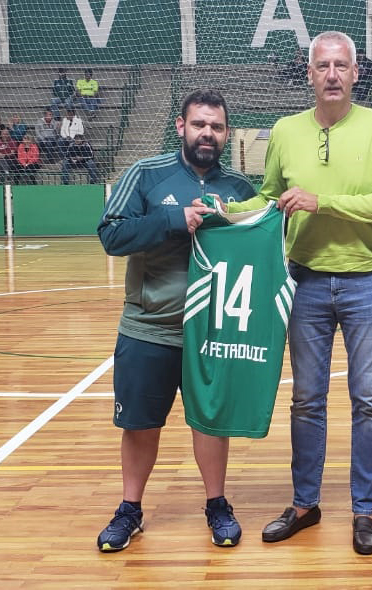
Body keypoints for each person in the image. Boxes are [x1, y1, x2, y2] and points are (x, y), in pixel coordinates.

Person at [219, 30, 372, 556]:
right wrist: (224, 213)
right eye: (322, 66)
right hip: (302, 280)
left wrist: (321, 201)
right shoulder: (284, 129)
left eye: (341, 65)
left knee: (369, 401)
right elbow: (271, 197)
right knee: (306, 399)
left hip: (368, 278)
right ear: (308, 73)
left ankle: (364, 512)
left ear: (355, 72)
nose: (332, 74)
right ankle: (305, 503)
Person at [95, 88, 255, 553]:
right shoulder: (145, 174)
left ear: (226, 134)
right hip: (149, 326)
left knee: (211, 422)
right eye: (200, 124)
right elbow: (111, 233)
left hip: (213, 330)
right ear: (181, 126)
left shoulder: (239, 190)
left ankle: (217, 504)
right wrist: (173, 218)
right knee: (141, 424)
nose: (208, 133)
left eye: (217, 126)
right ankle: (130, 509)